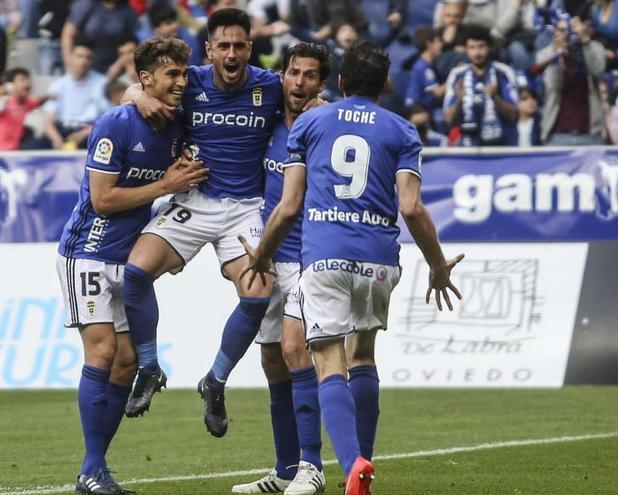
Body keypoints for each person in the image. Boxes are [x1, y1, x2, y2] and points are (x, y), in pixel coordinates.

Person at [241, 40, 464, 495]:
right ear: (385, 83)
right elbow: (412, 207)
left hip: (324, 258)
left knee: (328, 362)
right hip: (380, 261)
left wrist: (262, 253)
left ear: (339, 82)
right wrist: (438, 265)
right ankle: (364, 461)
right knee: (362, 356)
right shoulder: (402, 131)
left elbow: (288, 207)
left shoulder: (310, 123)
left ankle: (352, 464)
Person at [118, 9, 283, 438]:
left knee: (258, 294)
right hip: (194, 199)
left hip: (245, 210)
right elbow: (132, 90)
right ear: (209, 50)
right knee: (134, 273)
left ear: (251, 48)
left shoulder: (269, 86)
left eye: (239, 46)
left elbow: (306, 100)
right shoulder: (189, 81)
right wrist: (140, 97)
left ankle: (216, 380)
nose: (231, 54)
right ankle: (150, 367)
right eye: (223, 46)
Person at [55, 36, 207, 495]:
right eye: (171, 75)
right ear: (146, 79)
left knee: (124, 366)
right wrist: (164, 185)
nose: (181, 82)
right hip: (88, 250)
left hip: (129, 256)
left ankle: (95, 468)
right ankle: (90, 468)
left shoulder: (178, 123)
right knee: (101, 354)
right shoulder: (115, 124)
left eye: (184, 73)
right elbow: (102, 200)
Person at [230, 42, 330, 495]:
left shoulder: (326, 126)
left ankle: (313, 466)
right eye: (294, 73)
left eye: (310, 75)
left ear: (321, 84)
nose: (300, 83)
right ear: (283, 75)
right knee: (272, 361)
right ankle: (286, 468)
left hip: (310, 258)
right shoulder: (268, 123)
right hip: (270, 259)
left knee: (295, 350)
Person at [536, 13, 607, 146]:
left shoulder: (594, 48)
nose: (562, 34)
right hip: (557, 135)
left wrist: (585, 41)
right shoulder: (545, 55)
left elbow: (597, 71)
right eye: (559, 29)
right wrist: (556, 54)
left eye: (567, 30)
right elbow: (553, 85)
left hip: (590, 134)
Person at [443, 24, 519, 146]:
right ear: (466, 50)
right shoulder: (457, 75)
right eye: (472, 48)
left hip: (502, 150)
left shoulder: (504, 72)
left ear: (489, 47)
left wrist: (495, 98)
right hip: (468, 151)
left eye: (481, 47)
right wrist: (459, 99)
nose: (477, 52)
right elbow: (448, 119)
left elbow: (514, 115)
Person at [39, 38, 111, 150]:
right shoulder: (58, 85)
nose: (83, 61)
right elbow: (48, 121)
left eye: (88, 57)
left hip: (90, 131)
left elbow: (109, 120)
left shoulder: (103, 84)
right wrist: (56, 138)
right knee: (33, 145)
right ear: (71, 58)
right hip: (63, 130)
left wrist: (85, 133)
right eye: (79, 56)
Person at [0, 67, 51, 151]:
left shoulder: (27, 102)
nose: (27, 83)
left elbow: (38, 100)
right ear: (11, 86)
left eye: (28, 80)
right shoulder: (2, 102)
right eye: (22, 80)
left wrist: (50, 97)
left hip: (12, 155)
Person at [61, 0, 139, 75]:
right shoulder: (87, 4)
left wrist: (119, 64)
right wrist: (69, 64)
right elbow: (68, 34)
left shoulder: (128, 11)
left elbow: (132, 44)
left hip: (112, 71)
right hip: (84, 67)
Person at [406, 27, 446, 131]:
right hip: (418, 111)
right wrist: (455, 77)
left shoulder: (426, 65)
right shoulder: (423, 67)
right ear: (429, 44)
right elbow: (438, 92)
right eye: (438, 41)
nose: (441, 45)